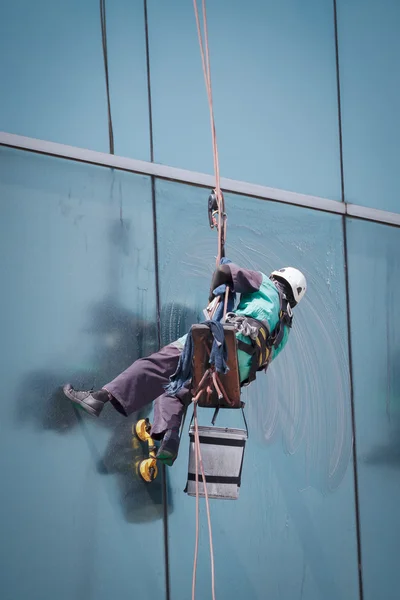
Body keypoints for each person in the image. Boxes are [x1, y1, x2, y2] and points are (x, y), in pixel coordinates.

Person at [63, 263, 306, 466]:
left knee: (157, 365)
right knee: (175, 390)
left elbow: (225, 272)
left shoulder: (264, 283)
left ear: (278, 277)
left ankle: (100, 397)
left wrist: (215, 300)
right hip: (232, 376)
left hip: (220, 345)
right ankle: (169, 438)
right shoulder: (285, 331)